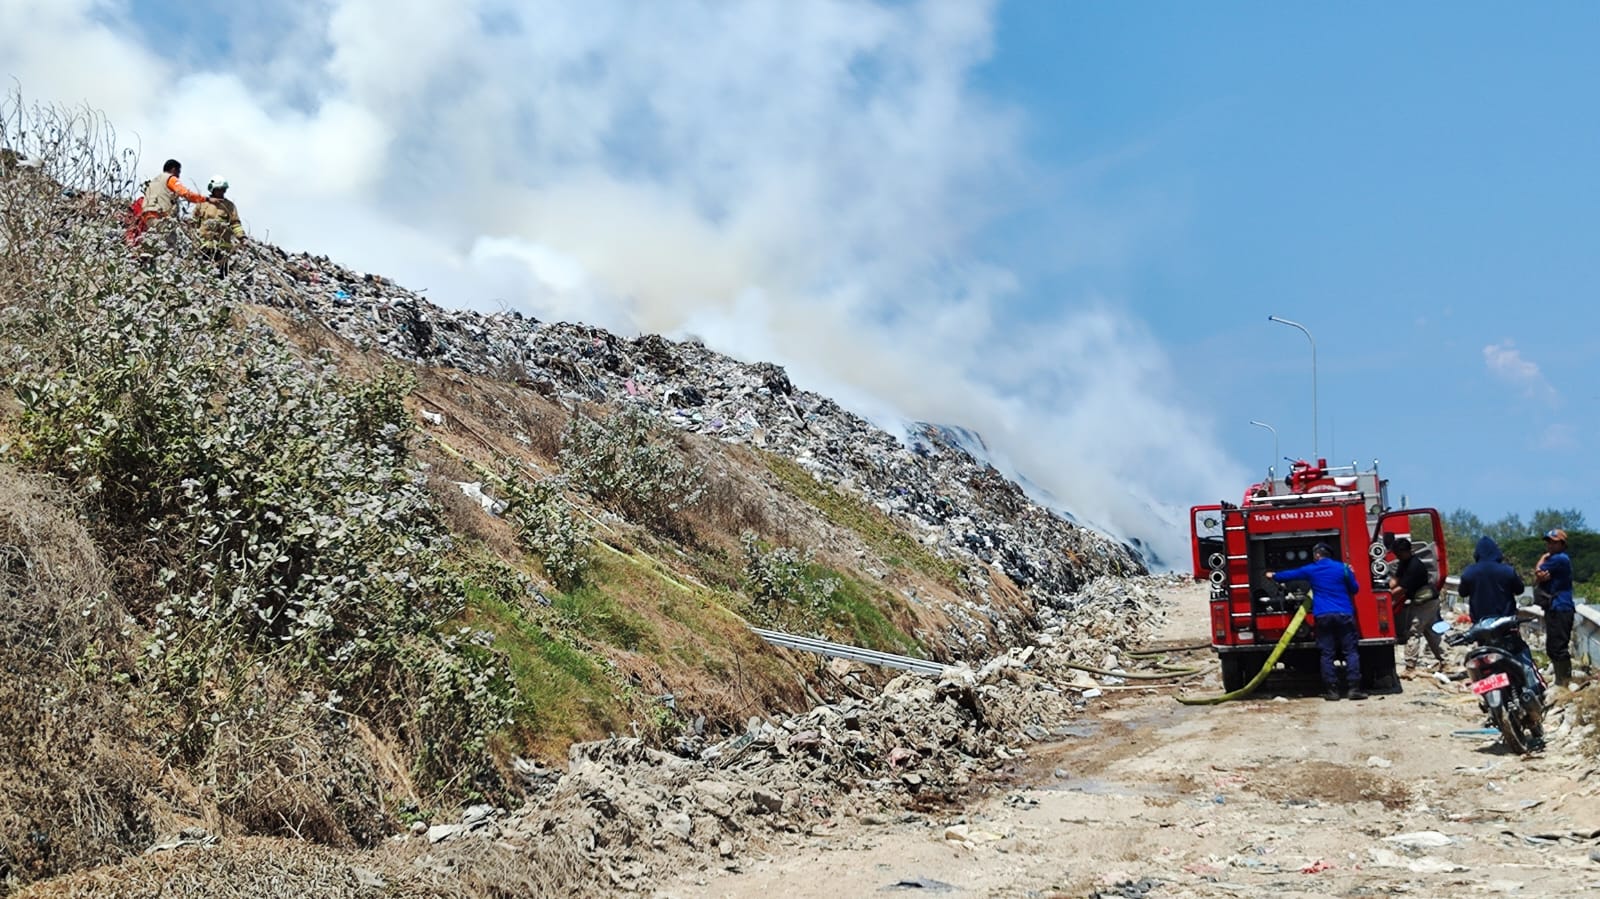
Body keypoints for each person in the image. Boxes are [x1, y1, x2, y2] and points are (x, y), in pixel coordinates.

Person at [1267, 542, 1366, 701]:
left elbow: (1291, 574)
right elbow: (1354, 589)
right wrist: (1351, 574)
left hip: (1323, 615)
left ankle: (1332, 691)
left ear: (1316, 555)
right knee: (1350, 652)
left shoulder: (1311, 569)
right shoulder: (1343, 568)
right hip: (1344, 614)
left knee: (1327, 653)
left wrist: (1273, 575)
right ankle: (1354, 689)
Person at [1458, 535, 1540, 697]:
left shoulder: (1469, 572)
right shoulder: (1507, 571)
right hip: (1505, 624)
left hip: (1481, 627)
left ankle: (1485, 692)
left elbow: (1462, 592)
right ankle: (1535, 690)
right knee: (1522, 657)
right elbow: (1519, 590)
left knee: (1482, 659)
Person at [1389, 538, 1446, 673]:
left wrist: (1386, 597)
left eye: (1398, 553)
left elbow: (1401, 589)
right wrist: (1385, 589)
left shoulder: (1414, 566)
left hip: (1425, 603)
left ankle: (1410, 667)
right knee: (1431, 632)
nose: (1396, 555)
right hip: (1427, 602)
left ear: (1405, 551)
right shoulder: (1404, 563)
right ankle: (1445, 661)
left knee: (1413, 631)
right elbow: (1395, 580)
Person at [136, 159, 209, 254]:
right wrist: (205, 199)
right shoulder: (170, 179)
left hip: (148, 217)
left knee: (155, 243)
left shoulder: (154, 181)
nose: (178, 176)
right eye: (178, 172)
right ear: (174, 169)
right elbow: (185, 193)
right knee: (169, 247)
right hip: (161, 217)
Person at [1535, 528, 1575, 688]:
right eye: (1548, 542)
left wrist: (1542, 558)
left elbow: (1538, 571)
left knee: (1558, 646)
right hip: (1553, 608)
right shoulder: (1555, 559)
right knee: (1552, 646)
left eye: (1554, 543)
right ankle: (1560, 679)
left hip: (1561, 607)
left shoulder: (1559, 559)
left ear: (1562, 544)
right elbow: (1539, 577)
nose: (1550, 546)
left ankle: (1564, 682)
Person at [193, 176, 245, 276]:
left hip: (222, 249)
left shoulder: (229, 206)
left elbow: (235, 223)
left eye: (223, 190)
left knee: (221, 276)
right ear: (212, 189)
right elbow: (194, 221)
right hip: (204, 246)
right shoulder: (203, 203)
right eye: (219, 189)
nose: (221, 192)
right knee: (202, 273)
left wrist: (242, 237)